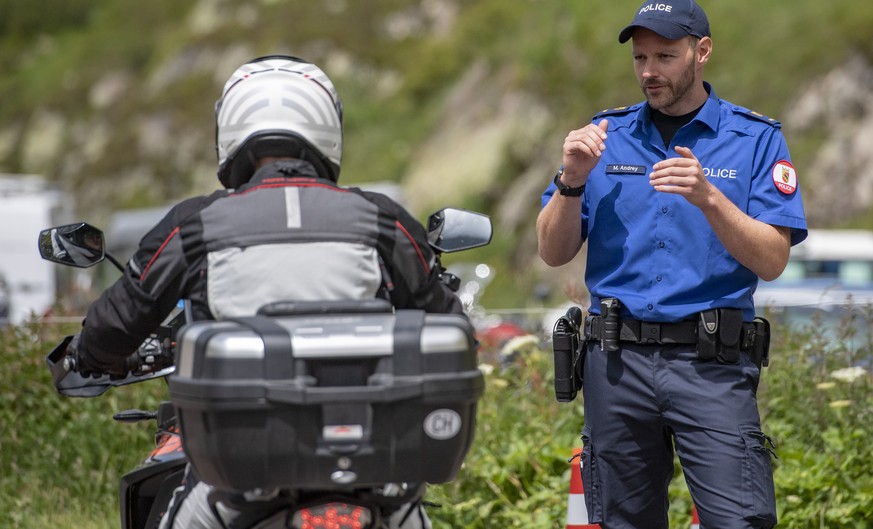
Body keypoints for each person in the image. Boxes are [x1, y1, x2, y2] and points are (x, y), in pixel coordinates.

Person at [66, 55, 461, 529]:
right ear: (327, 129)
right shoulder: (382, 218)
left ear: (231, 132)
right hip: (368, 466)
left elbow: (118, 321)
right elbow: (449, 322)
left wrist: (87, 357)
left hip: (237, 472)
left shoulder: (195, 225)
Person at [537, 1, 807, 528]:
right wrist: (571, 180)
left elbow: (773, 260)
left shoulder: (755, 139)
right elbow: (552, 251)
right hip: (616, 367)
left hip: (711, 367)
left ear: (701, 52)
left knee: (740, 520)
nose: (648, 72)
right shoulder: (603, 135)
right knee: (619, 521)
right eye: (639, 58)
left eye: (664, 55)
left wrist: (711, 199)